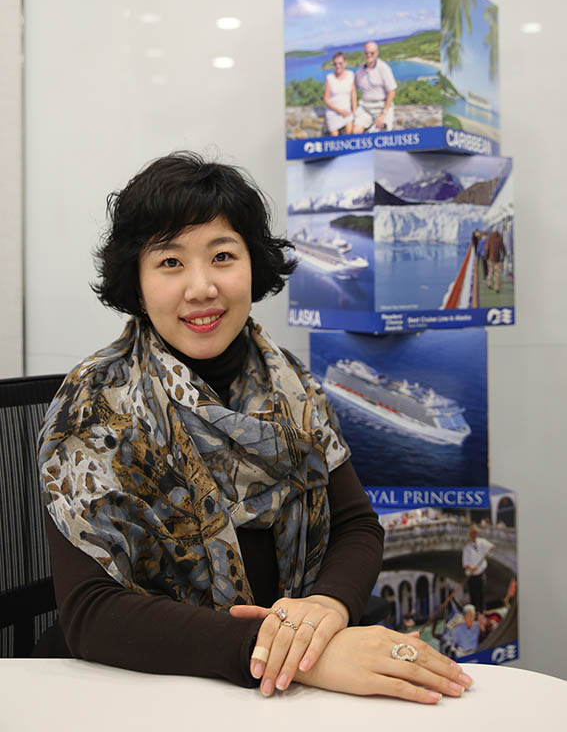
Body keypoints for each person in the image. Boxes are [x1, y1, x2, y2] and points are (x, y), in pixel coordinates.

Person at [37, 152, 472, 702]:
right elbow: (91, 611)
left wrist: (326, 608)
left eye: (222, 256)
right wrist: (293, 655)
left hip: (285, 693)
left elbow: (356, 524)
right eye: (170, 262)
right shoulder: (94, 402)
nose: (201, 287)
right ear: (138, 282)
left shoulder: (292, 384)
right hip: (148, 693)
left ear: (253, 264)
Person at [353, 41, 397, 133]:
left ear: (377, 53)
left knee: (380, 133)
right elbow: (353, 88)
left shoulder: (383, 68)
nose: (369, 55)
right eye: (366, 53)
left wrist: (383, 114)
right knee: (356, 132)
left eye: (372, 53)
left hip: (381, 106)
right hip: (365, 107)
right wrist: (354, 108)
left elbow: (392, 91)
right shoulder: (360, 70)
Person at [462, 524, 495, 613]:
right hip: (471, 575)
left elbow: (492, 546)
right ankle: (474, 615)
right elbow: (465, 564)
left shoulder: (482, 542)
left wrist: (488, 552)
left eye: (475, 533)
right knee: (473, 597)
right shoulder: (466, 548)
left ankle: (482, 613)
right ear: (470, 535)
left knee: (481, 595)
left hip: (481, 573)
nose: (474, 534)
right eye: (472, 533)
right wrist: (471, 568)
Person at [323, 51, 357, 136]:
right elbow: (326, 99)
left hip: (347, 111)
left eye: (340, 63)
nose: (338, 66)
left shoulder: (350, 75)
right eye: (335, 64)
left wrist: (354, 111)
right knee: (335, 137)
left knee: (349, 134)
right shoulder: (329, 78)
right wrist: (339, 111)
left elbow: (353, 94)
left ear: (345, 63)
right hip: (333, 112)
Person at [484, 227, 506, 293]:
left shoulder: (489, 237)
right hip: (498, 258)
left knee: (490, 272)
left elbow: (487, 248)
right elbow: (503, 247)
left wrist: (486, 256)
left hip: (490, 258)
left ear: (492, 231)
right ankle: (497, 288)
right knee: (497, 274)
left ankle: (490, 284)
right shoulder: (500, 237)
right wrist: (504, 254)